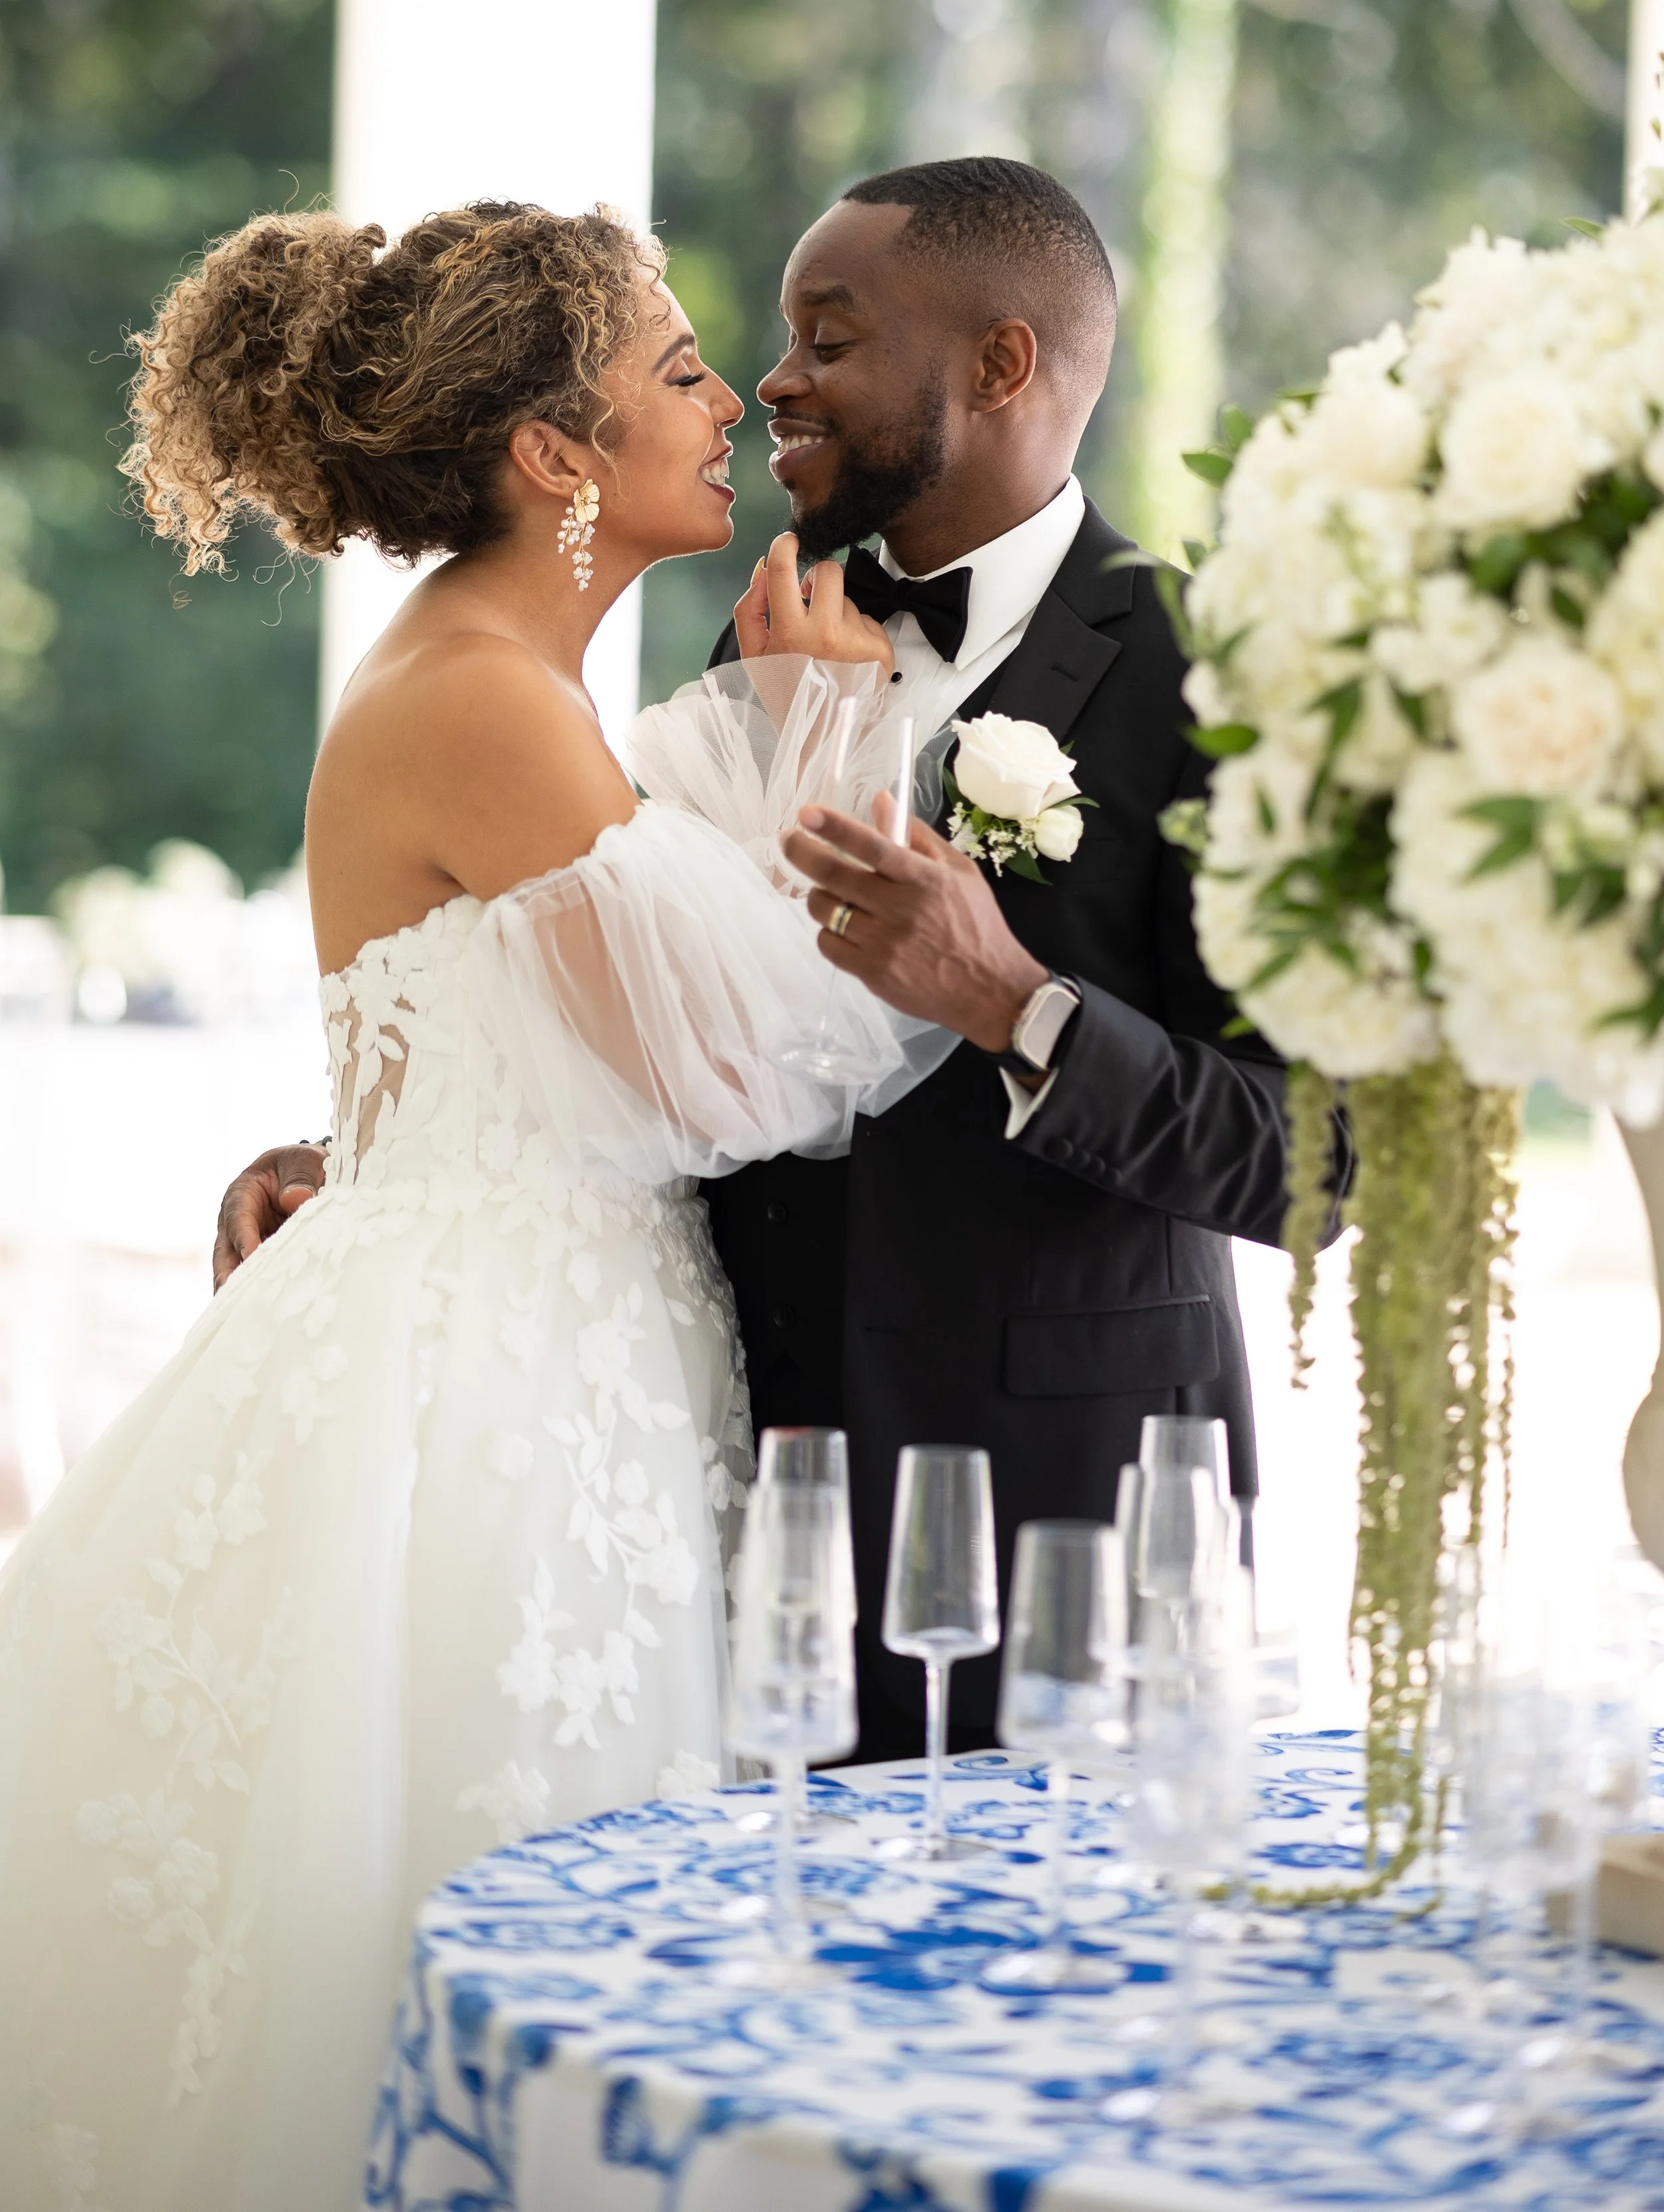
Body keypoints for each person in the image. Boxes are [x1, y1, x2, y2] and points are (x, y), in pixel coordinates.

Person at [0, 198, 950, 2212]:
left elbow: (608, 995)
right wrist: (836, 726)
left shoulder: (523, 689)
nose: (727, 405)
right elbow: (740, 1068)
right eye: (677, 371)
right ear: (554, 454)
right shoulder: (482, 699)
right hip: (480, 1401)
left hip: (534, 1342)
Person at [218, 157, 1332, 1766]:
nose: (770, 382)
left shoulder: (1218, 678)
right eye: (750, 347)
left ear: (1000, 365)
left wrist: (1014, 1009)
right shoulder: (763, 637)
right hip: (719, 1515)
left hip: (1055, 1525)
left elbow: (1319, 1162)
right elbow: (645, 1000)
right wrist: (373, 1157)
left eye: (827, 333)